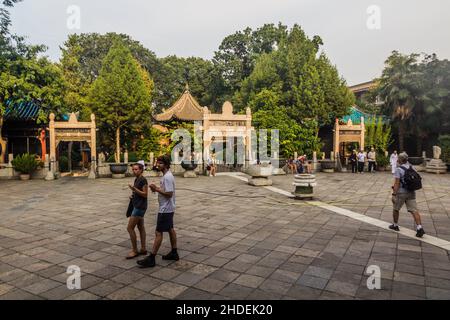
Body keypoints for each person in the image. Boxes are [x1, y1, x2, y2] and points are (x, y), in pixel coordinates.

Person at [138, 155, 178, 268]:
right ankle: (174, 252)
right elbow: (166, 191)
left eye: (160, 163)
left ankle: (152, 258)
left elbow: (169, 193)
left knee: (158, 232)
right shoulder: (166, 176)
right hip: (168, 207)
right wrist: (157, 189)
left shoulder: (167, 177)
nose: (158, 165)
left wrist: (156, 189)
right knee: (170, 229)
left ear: (165, 164)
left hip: (165, 209)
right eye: (157, 163)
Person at [389, 152, 425, 238]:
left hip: (401, 192)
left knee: (396, 209)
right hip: (411, 192)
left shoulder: (398, 169)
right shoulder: (412, 167)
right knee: (414, 210)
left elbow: (397, 183)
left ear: (400, 160)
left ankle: (395, 225)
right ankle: (419, 228)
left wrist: (394, 194)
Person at [126, 162, 148, 259]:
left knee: (130, 228)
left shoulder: (143, 180)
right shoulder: (137, 179)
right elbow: (138, 193)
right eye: (133, 169)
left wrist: (134, 189)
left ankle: (135, 250)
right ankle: (143, 248)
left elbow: (145, 194)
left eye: (136, 169)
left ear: (141, 170)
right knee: (140, 227)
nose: (134, 171)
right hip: (137, 205)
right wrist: (133, 195)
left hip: (139, 207)